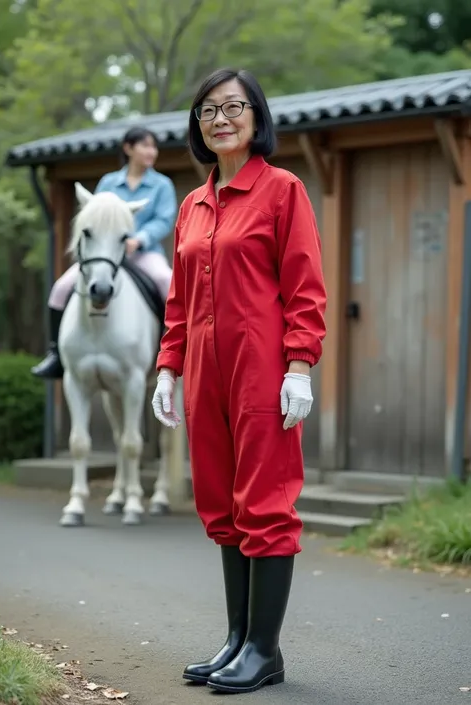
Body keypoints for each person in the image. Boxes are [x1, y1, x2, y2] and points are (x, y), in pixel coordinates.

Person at [152, 68, 327, 694]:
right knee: (222, 506)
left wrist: (299, 366)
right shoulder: (191, 206)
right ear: (197, 125)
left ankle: (264, 650)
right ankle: (236, 641)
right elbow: (178, 299)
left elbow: (305, 288)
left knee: (265, 504)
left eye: (233, 106)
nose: (220, 118)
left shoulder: (283, 191)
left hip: (261, 369)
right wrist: (169, 368)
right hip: (204, 371)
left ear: (256, 116)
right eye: (207, 110)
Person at [31, 126, 177, 379]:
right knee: (60, 289)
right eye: (145, 145)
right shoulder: (108, 182)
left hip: (144, 253)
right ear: (128, 148)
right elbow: (94, 218)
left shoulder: (162, 185)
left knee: (167, 282)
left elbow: (164, 220)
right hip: (106, 256)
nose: (151, 151)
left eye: (153, 146)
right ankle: (56, 353)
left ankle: (174, 351)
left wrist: (138, 240)